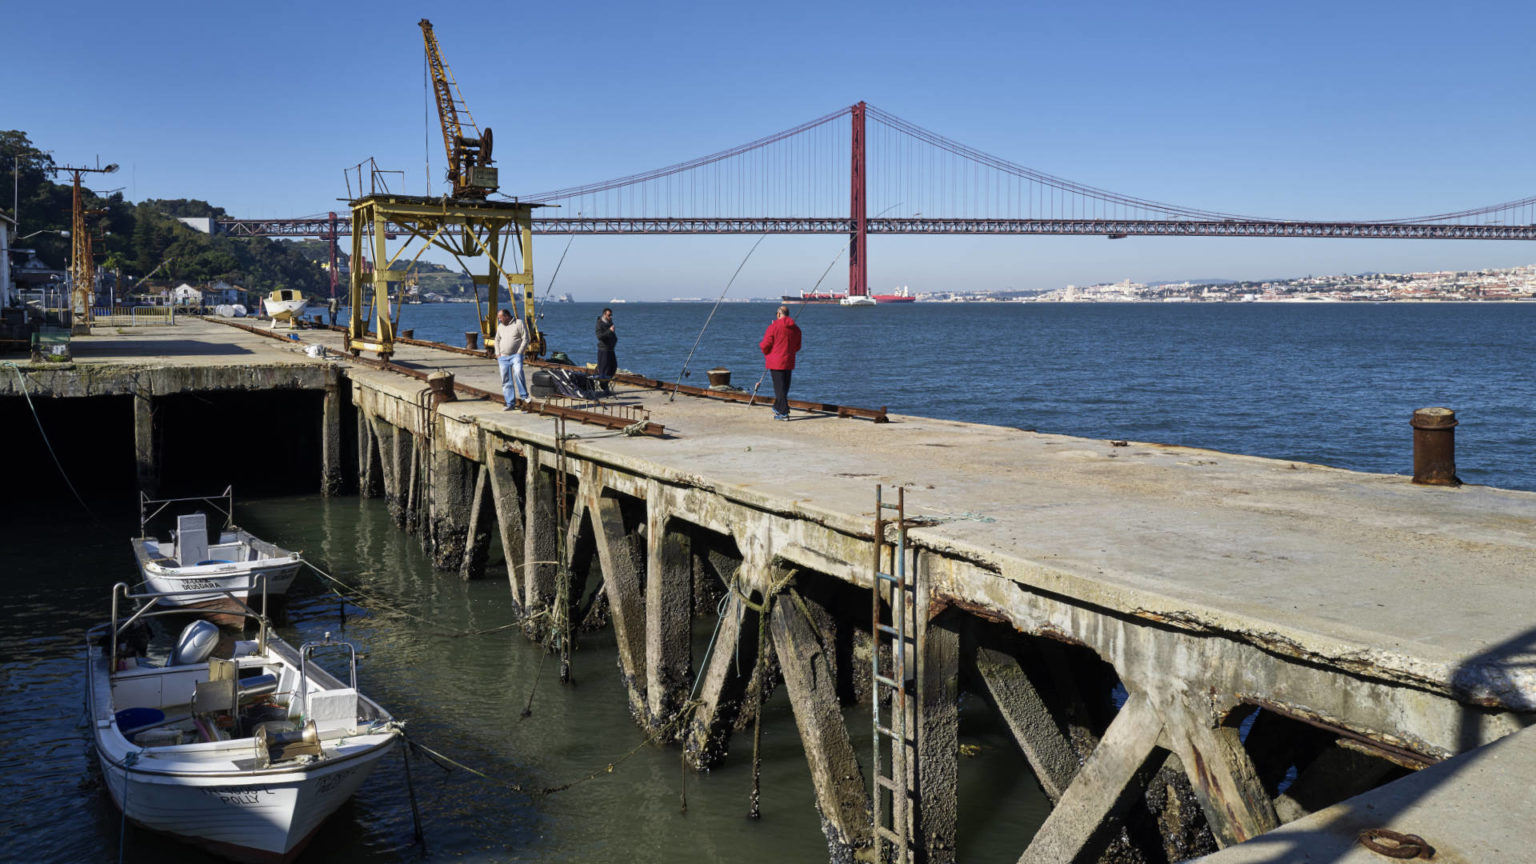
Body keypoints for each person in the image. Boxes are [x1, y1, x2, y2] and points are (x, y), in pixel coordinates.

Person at [759, 304, 802, 421]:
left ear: (778, 314)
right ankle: (778, 407)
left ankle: (783, 412)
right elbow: (798, 346)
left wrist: (767, 352)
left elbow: (765, 345)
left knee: (779, 388)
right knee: (784, 387)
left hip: (776, 361)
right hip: (788, 361)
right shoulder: (796, 329)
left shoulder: (773, 327)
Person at [493, 308, 530, 410]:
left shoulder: (518, 323)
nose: (499, 320)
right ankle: (510, 403)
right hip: (503, 357)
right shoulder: (500, 326)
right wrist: (497, 354)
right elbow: (497, 340)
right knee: (506, 380)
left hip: (516, 355)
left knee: (518, 372)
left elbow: (526, 338)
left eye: (500, 318)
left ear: (506, 316)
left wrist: (519, 352)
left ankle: (524, 396)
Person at [594, 307, 618, 391]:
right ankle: (604, 386)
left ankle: (605, 384)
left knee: (613, 367)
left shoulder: (610, 322)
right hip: (603, 349)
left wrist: (615, 339)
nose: (610, 317)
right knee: (604, 369)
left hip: (611, 349)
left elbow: (612, 334)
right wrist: (609, 331)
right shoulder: (599, 323)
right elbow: (599, 336)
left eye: (611, 315)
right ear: (604, 314)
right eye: (609, 315)